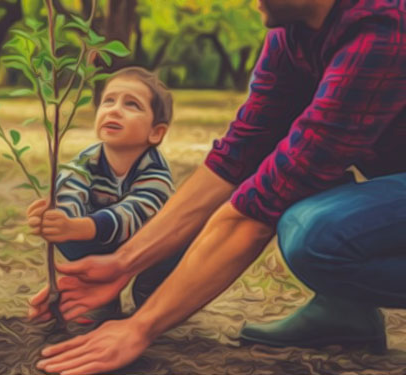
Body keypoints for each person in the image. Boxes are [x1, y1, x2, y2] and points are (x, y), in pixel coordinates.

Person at [28, 0, 406, 374]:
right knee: (295, 176)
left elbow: (262, 205)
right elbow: (238, 155)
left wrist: (140, 327)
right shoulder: (290, 33)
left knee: (315, 233)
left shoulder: (384, 27)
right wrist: (122, 263)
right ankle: (344, 309)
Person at [27, 67, 186, 321]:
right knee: (66, 231)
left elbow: (133, 214)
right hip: (104, 239)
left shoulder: (155, 173)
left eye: (132, 105)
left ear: (156, 132)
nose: (114, 109)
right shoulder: (87, 160)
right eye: (108, 101)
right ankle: (102, 296)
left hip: (152, 247)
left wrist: (81, 226)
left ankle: (156, 297)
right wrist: (58, 219)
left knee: (169, 259)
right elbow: (70, 190)